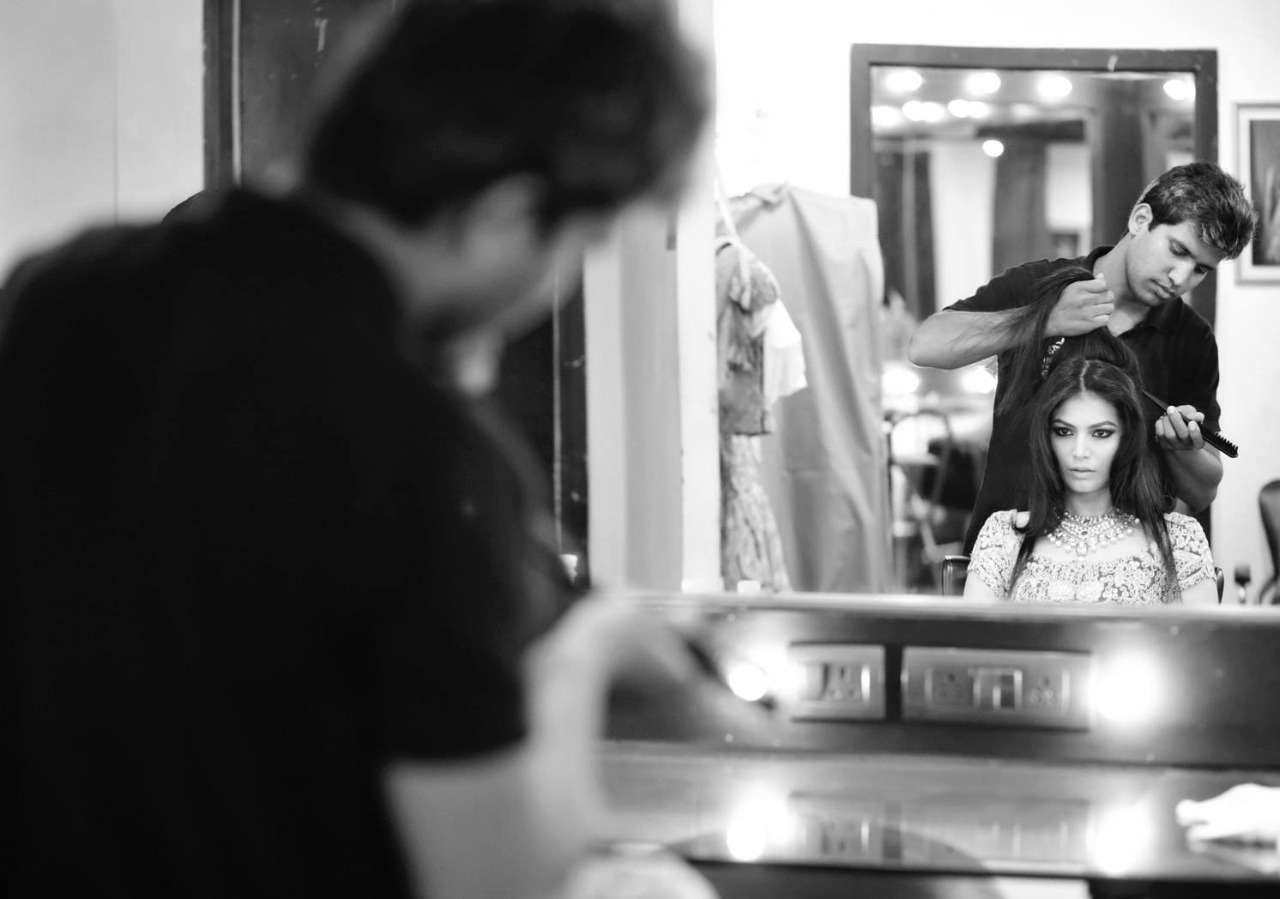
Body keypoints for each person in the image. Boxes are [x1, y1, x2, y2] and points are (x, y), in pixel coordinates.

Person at [1, 2, 722, 898]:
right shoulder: (424, 451)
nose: (555, 281)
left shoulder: (58, 290)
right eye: (581, 241)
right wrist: (591, 644)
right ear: (504, 213)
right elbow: (496, 885)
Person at [908, 162, 1257, 552]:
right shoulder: (1041, 285)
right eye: (1177, 251)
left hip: (1125, 567)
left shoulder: (1191, 339)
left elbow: (1203, 491)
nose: (1180, 278)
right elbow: (926, 344)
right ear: (1141, 219)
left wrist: (1182, 451)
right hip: (1009, 554)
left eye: (1200, 270)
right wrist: (1042, 320)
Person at [963, 326, 1218, 606]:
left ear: (1127, 438)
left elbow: (1202, 636)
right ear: (1046, 436)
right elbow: (974, 634)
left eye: (1101, 433)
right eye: (1064, 432)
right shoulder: (1004, 536)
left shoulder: (1179, 540)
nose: (1080, 452)